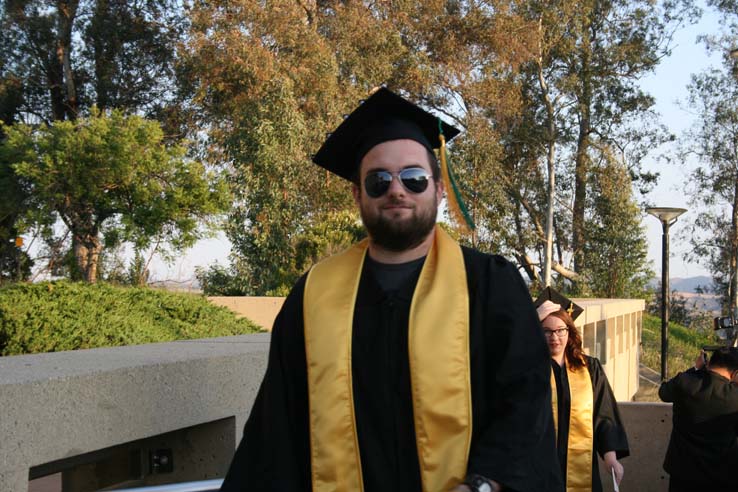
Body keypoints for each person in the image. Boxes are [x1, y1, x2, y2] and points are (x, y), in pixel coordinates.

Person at [220, 87, 562, 492]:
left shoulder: (489, 284)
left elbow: (526, 403)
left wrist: (484, 485)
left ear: (438, 188)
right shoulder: (314, 295)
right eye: (378, 180)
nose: (396, 190)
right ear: (357, 194)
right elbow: (277, 425)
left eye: (414, 178)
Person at [535, 288, 629, 492]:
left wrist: (610, 458)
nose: (555, 337)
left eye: (561, 330)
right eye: (547, 331)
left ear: (570, 331)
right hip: (537, 466)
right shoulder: (528, 369)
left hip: (580, 467)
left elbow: (604, 415)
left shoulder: (589, 368)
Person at [659, 347, 738, 491]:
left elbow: (664, 393)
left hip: (682, 475)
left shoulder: (684, 383)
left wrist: (695, 368)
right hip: (722, 476)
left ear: (708, 364)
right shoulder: (734, 397)